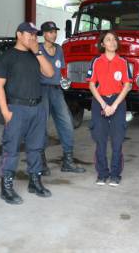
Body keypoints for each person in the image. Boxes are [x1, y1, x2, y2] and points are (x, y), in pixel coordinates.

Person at [0, 22, 54, 204]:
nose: (33, 38)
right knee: (11, 149)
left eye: (35, 35)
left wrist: (37, 52)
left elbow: (50, 73)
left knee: (36, 148)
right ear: (19, 35)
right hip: (16, 109)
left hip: (37, 107)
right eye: (29, 34)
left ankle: (34, 181)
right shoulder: (7, 57)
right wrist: (5, 111)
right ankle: (6, 187)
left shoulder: (35, 55)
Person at [38, 21, 85, 175]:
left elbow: (61, 70)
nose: (53, 34)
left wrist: (65, 80)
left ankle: (68, 161)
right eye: (50, 32)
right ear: (44, 34)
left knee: (67, 122)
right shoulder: (37, 49)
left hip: (57, 90)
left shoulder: (59, 49)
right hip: (42, 90)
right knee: (40, 125)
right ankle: (41, 162)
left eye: (55, 32)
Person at [87, 30, 132, 186]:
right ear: (102, 44)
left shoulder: (123, 62)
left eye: (114, 40)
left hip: (117, 101)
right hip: (100, 101)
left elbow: (127, 85)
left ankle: (115, 174)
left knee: (117, 140)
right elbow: (92, 85)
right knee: (100, 139)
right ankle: (102, 173)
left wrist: (114, 105)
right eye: (108, 39)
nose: (112, 42)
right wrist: (104, 104)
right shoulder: (96, 62)